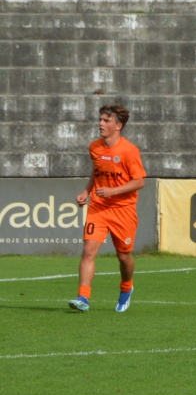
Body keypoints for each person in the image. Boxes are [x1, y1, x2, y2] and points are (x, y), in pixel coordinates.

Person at [68, 102, 146, 313]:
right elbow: (98, 171)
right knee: (88, 251)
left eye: (106, 120)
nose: (100, 124)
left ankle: (126, 287)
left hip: (123, 210)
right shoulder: (95, 147)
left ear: (118, 125)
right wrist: (87, 191)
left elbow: (139, 181)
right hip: (99, 208)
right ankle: (83, 297)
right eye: (100, 119)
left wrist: (113, 191)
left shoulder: (129, 151)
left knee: (123, 256)